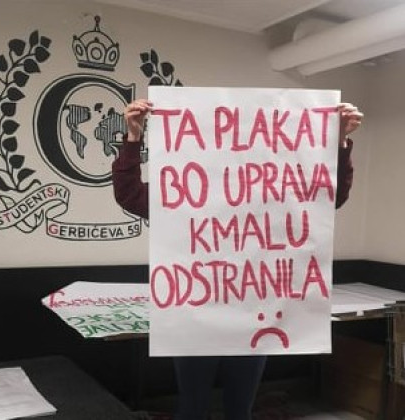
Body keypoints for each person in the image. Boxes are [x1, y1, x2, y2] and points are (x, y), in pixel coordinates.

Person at [112, 98, 363, 420]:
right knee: (192, 409)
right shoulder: (184, 192)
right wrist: (134, 136)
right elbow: (130, 194)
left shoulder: (273, 192)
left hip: (252, 315)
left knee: (239, 410)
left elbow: (328, 197)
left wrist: (339, 141)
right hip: (197, 318)